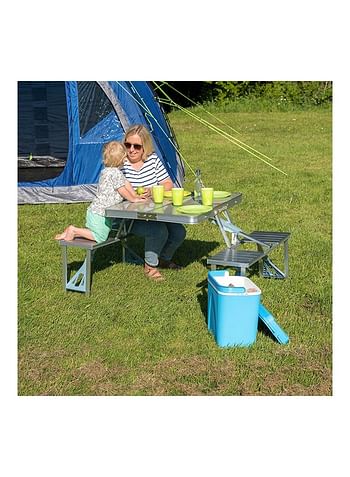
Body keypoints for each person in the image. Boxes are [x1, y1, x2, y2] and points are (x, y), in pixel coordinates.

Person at [120, 124, 186, 281]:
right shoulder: (121, 164)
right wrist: (132, 195)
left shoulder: (152, 159)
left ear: (145, 147)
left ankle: (163, 258)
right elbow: (116, 189)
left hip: (156, 211)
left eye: (137, 146)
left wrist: (152, 190)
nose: (131, 150)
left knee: (179, 232)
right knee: (158, 231)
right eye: (128, 145)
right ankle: (150, 266)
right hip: (130, 216)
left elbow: (168, 184)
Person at [55, 141, 146, 243]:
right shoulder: (115, 173)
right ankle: (73, 230)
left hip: (97, 211)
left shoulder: (107, 171)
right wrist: (133, 199)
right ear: (120, 159)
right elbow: (122, 189)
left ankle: (70, 232)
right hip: (100, 213)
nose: (125, 160)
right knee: (100, 238)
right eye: (124, 157)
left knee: (97, 233)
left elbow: (126, 183)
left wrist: (135, 194)